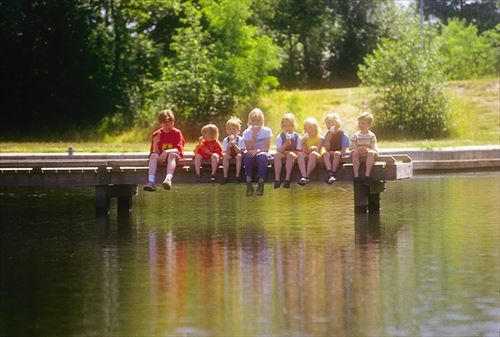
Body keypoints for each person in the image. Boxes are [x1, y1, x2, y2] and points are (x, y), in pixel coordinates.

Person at [144, 109, 185, 191]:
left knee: (171, 155)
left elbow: (178, 150)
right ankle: (151, 182)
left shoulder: (177, 133)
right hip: (161, 159)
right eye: (166, 124)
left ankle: (168, 179)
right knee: (153, 155)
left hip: (173, 159)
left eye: (171, 123)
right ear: (161, 124)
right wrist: (155, 142)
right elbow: (155, 152)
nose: (169, 126)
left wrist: (166, 151)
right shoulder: (156, 134)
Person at [242, 108, 273, 196]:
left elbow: (266, 148)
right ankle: (249, 183)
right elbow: (249, 149)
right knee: (246, 154)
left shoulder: (266, 131)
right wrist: (254, 136)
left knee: (262, 155)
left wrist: (257, 150)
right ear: (250, 121)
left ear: (262, 121)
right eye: (253, 120)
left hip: (262, 152)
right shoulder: (247, 132)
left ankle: (261, 183)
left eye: (258, 120)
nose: (255, 122)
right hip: (251, 153)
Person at [273, 113, 301, 189]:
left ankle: (287, 178)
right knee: (277, 155)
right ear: (282, 127)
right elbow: (278, 150)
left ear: (294, 126)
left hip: (293, 155)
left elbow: (298, 151)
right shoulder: (280, 136)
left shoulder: (297, 136)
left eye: (290, 126)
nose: (288, 128)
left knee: (290, 155)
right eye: (285, 126)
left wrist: (287, 152)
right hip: (282, 154)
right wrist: (285, 144)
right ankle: (277, 178)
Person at [351, 112, 378, 184]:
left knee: (371, 153)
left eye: (363, 123)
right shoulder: (356, 135)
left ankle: (367, 175)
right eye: (359, 123)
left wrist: (369, 150)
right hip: (358, 154)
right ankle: (356, 175)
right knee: (354, 153)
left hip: (368, 154)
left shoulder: (371, 135)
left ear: (369, 125)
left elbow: (374, 148)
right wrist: (357, 149)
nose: (360, 125)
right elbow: (352, 146)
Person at [323, 113, 350, 184]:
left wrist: (336, 152)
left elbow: (344, 150)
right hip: (331, 153)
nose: (328, 126)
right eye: (327, 124)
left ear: (337, 124)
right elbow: (327, 149)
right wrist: (328, 140)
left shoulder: (342, 134)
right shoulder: (327, 134)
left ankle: (334, 172)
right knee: (325, 154)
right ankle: (330, 173)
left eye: (330, 123)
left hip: (339, 154)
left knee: (336, 153)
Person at [297, 117, 323, 185]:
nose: (308, 130)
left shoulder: (320, 138)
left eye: (310, 127)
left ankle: (307, 176)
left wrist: (313, 149)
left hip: (317, 155)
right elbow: (304, 151)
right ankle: (304, 175)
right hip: (308, 154)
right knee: (300, 154)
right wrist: (303, 143)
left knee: (313, 154)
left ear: (315, 127)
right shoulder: (305, 138)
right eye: (305, 128)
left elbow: (317, 150)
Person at [221, 117, 246, 184]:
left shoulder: (240, 139)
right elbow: (225, 151)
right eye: (229, 129)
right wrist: (229, 146)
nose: (231, 131)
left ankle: (237, 175)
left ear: (238, 131)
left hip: (237, 153)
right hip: (229, 154)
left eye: (234, 129)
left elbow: (240, 151)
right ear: (227, 130)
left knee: (239, 156)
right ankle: (225, 176)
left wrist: (234, 145)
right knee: (225, 156)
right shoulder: (226, 140)